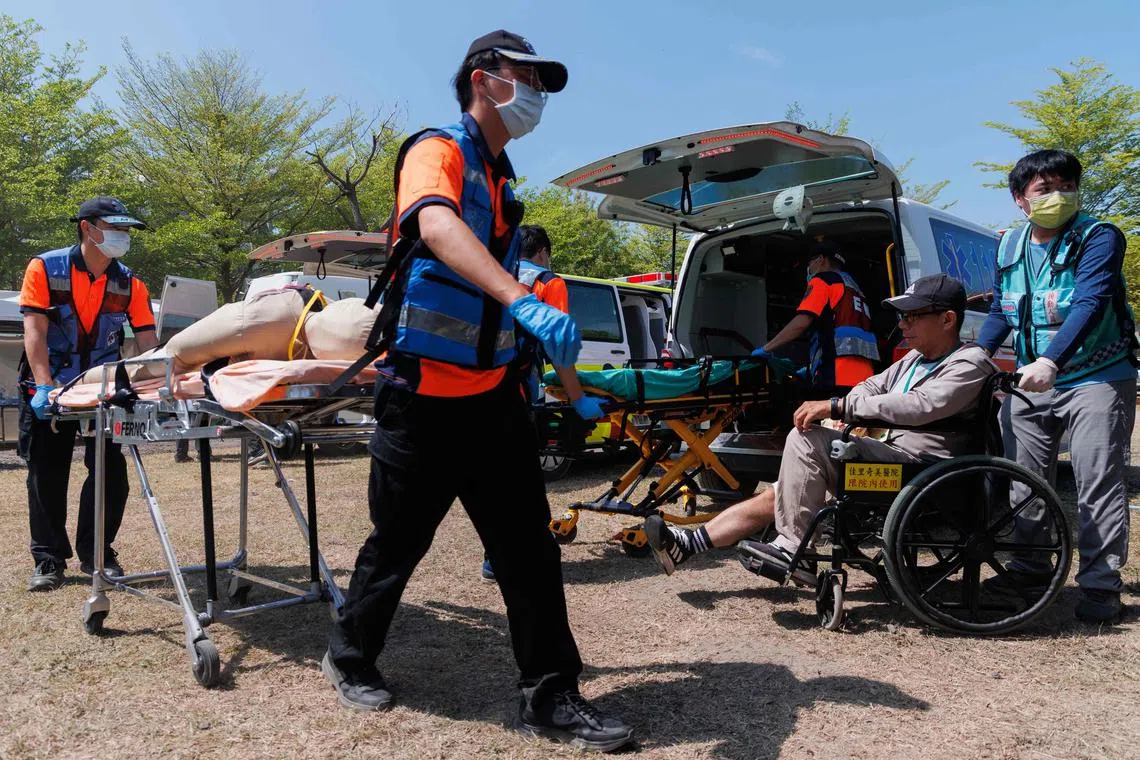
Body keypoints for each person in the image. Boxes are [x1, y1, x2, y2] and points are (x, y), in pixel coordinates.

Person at [322, 31, 633, 752]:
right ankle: (349, 656)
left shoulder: (503, 179)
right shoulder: (439, 150)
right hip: (422, 398)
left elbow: (501, 295)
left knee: (529, 550)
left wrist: (563, 377)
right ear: (483, 77)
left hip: (492, 399)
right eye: (528, 76)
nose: (538, 94)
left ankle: (551, 696)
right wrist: (519, 298)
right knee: (397, 545)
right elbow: (433, 225)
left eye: (543, 82)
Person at [646, 274, 996, 582]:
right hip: (894, 457)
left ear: (947, 319)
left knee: (806, 437)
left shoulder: (970, 362)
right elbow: (871, 387)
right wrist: (851, 409)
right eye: (902, 315)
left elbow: (920, 406)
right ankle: (689, 543)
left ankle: (793, 548)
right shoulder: (914, 358)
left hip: (922, 468)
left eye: (912, 316)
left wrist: (840, 406)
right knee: (785, 491)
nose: (902, 324)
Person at [977, 149, 1137, 623]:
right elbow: (1001, 311)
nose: (1059, 197)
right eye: (1045, 189)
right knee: (1024, 481)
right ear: (1020, 200)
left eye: (1066, 186)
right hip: (1033, 382)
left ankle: (1101, 585)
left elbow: (1089, 303)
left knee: (1097, 480)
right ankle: (1028, 570)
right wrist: (975, 355)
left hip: (1097, 377)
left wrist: (1051, 359)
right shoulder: (1007, 245)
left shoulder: (1099, 236)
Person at [18, 197, 156, 591]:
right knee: (47, 473)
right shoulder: (45, 267)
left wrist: (149, 387)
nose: (122, 236)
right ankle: (47, 559)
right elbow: (35, 332)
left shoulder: (130, 282)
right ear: (87, 228)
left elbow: (147, 342)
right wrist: (44, 386)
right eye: (115, 228)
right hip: (52, 387)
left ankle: (98, 553)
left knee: (112, 475)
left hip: (102, 391)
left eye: (126, 230)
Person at [480, 224, 603, 583]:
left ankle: (498, 556)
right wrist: (577, 397)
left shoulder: (492, 272)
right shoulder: (549, 282)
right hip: (517, 382)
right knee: (520, 471)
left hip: (479, 381)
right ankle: (508, 558)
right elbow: (557, 343)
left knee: (493, 471)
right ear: (543, 251)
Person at [751, 240, 879, 389]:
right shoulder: (855, 288)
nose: (809, 268)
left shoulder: (824, 280)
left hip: (835, 374)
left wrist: (767, 348)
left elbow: (801, 323)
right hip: (865, 376)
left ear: (821, 260)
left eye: (810, 262)